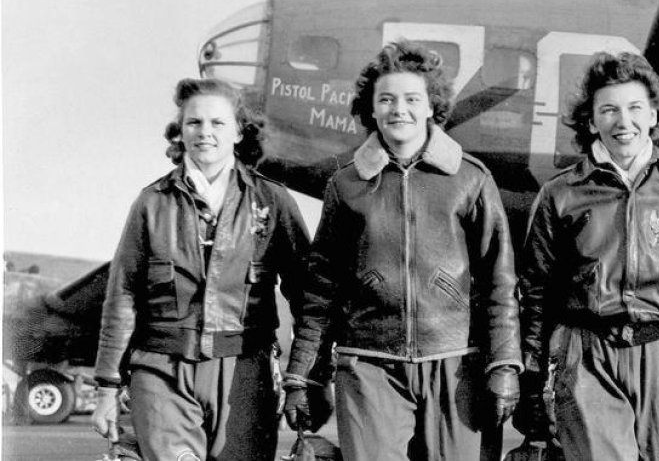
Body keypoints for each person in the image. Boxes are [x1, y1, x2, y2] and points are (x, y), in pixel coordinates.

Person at [282, 40, 521, 461]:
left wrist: (504, 365)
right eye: (386, 99)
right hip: (367, 364)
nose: (399, 109)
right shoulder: (346, 186)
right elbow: (320, 290)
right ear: (370, 109)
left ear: (432, 106)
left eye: (412, 99)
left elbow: (499, 282)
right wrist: (302, 376)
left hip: (455, 363)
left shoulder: (471, 179)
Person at [516, 51, 659, 461]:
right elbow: (535, 293)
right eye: (609, 110)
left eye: (636, 108)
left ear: (654, 115)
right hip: (586, 356)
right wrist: (531, 378)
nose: (624, 122)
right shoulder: (561, 195)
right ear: (590, 121)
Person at [92, 78, 311, 461]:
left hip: (245, 373)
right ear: (180, 130)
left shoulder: (273, 201)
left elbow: (309, 296)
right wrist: (107, 387)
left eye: (217, 123)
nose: (204, 133)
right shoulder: (151, 203)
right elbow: (122, 296)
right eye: (194, 123)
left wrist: (305, 380)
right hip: (161, 369)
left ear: (240, 132)